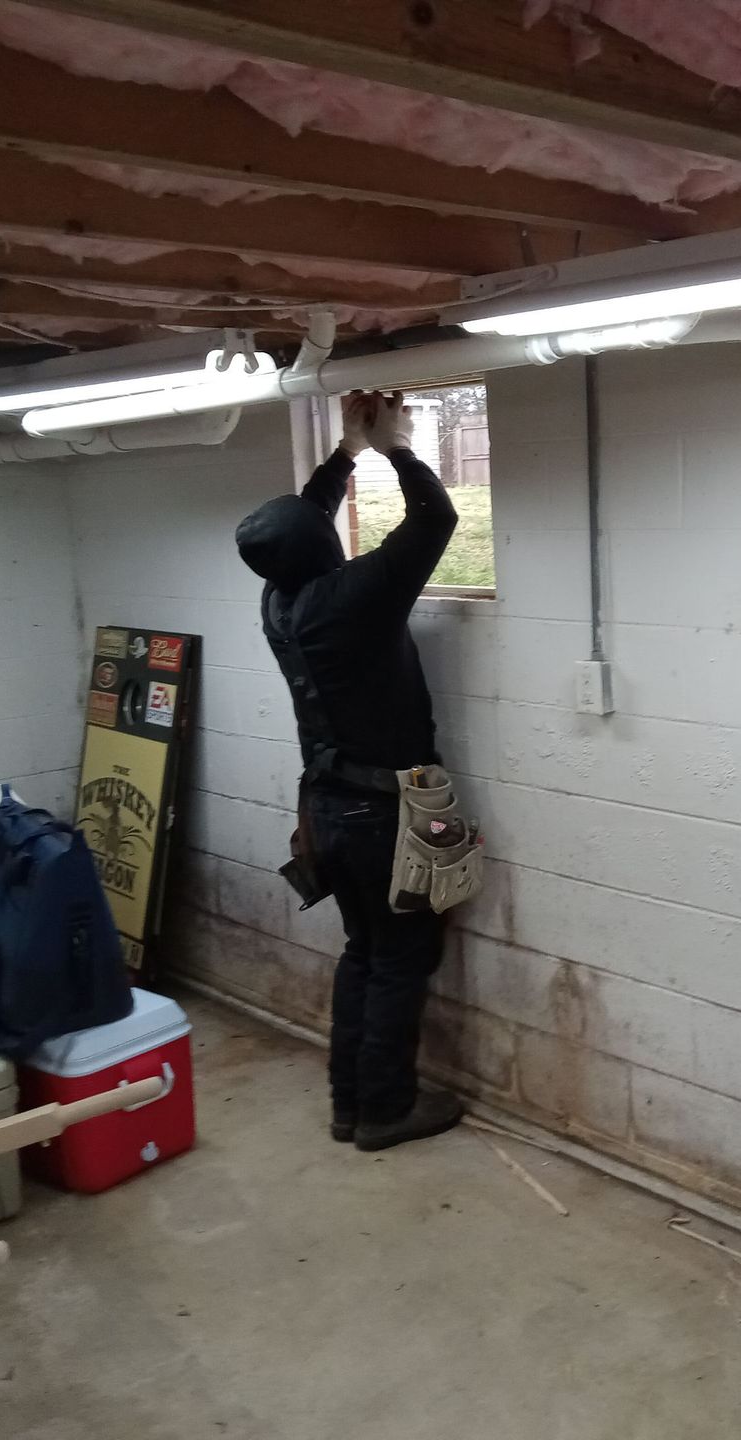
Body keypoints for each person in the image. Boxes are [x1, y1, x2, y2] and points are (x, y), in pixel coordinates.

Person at [234, 390, 463, 1152]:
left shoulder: (279, 600)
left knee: (364, 952)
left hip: (329, 812)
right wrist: (396, 446)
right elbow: (435, 522)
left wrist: (344, 453)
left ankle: (349, 1105)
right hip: (385, 812)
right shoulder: (352, 599)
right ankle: (386, 1111)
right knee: (401, 957)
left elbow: (297, 524)